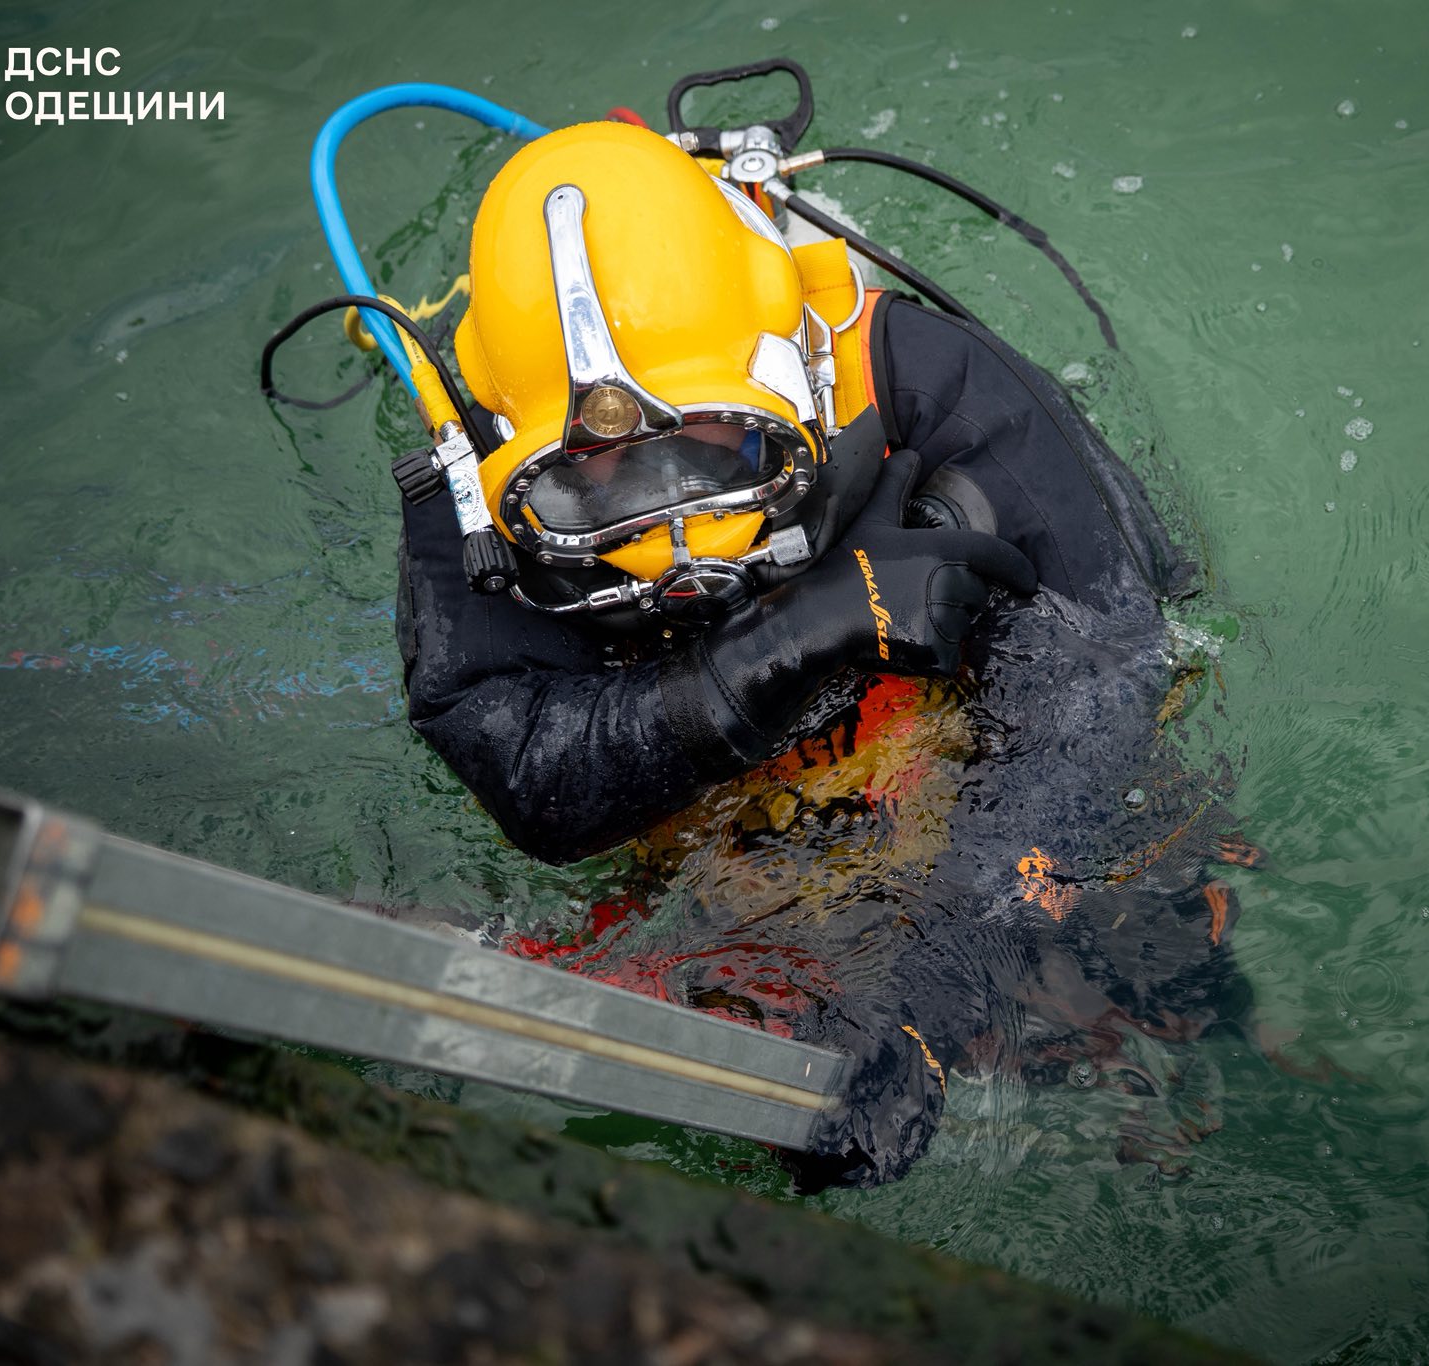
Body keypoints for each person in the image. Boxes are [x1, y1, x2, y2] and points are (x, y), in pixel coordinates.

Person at [398, 121, 1256, 1187]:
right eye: (592, 482)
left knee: (1159, 972)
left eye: (716, 450)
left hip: (946, 755)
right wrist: (787, 639)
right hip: (708, 817)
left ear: (788, 369)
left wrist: (930, 1004)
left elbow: (1104, 707)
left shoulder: (926, 382)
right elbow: (526, 778)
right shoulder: (470, 467)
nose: (669, 529)